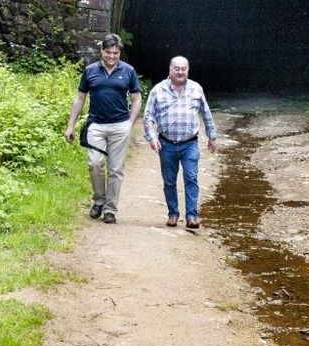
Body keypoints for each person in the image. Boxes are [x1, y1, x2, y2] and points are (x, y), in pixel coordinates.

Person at [65, 34, 142, 224]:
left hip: (119, 125)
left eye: (115, 53)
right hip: (96, 125)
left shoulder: (128, 71)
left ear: (119, 53)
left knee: (116, 169)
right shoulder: (90, 70)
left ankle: (110, 210)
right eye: (108, 52)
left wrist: (130, 123)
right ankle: (99, 200)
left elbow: (137, 98)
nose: (111, 56)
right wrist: (70, 125)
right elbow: (80, 98)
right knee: (95, 163)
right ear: (101, 51)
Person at [142, 55, 218, 229]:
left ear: (188, 70)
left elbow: (206, 114)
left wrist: (212, 138)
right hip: (166, 143)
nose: (180, 71)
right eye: (177, 68)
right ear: (170, 69)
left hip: (190, 143)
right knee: (169, 181)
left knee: (191, 178)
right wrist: (151, 138)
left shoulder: (196, 89)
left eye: (183, 68)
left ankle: (192, 216)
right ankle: (173, 214)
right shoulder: (158, 90)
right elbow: (148, 117)